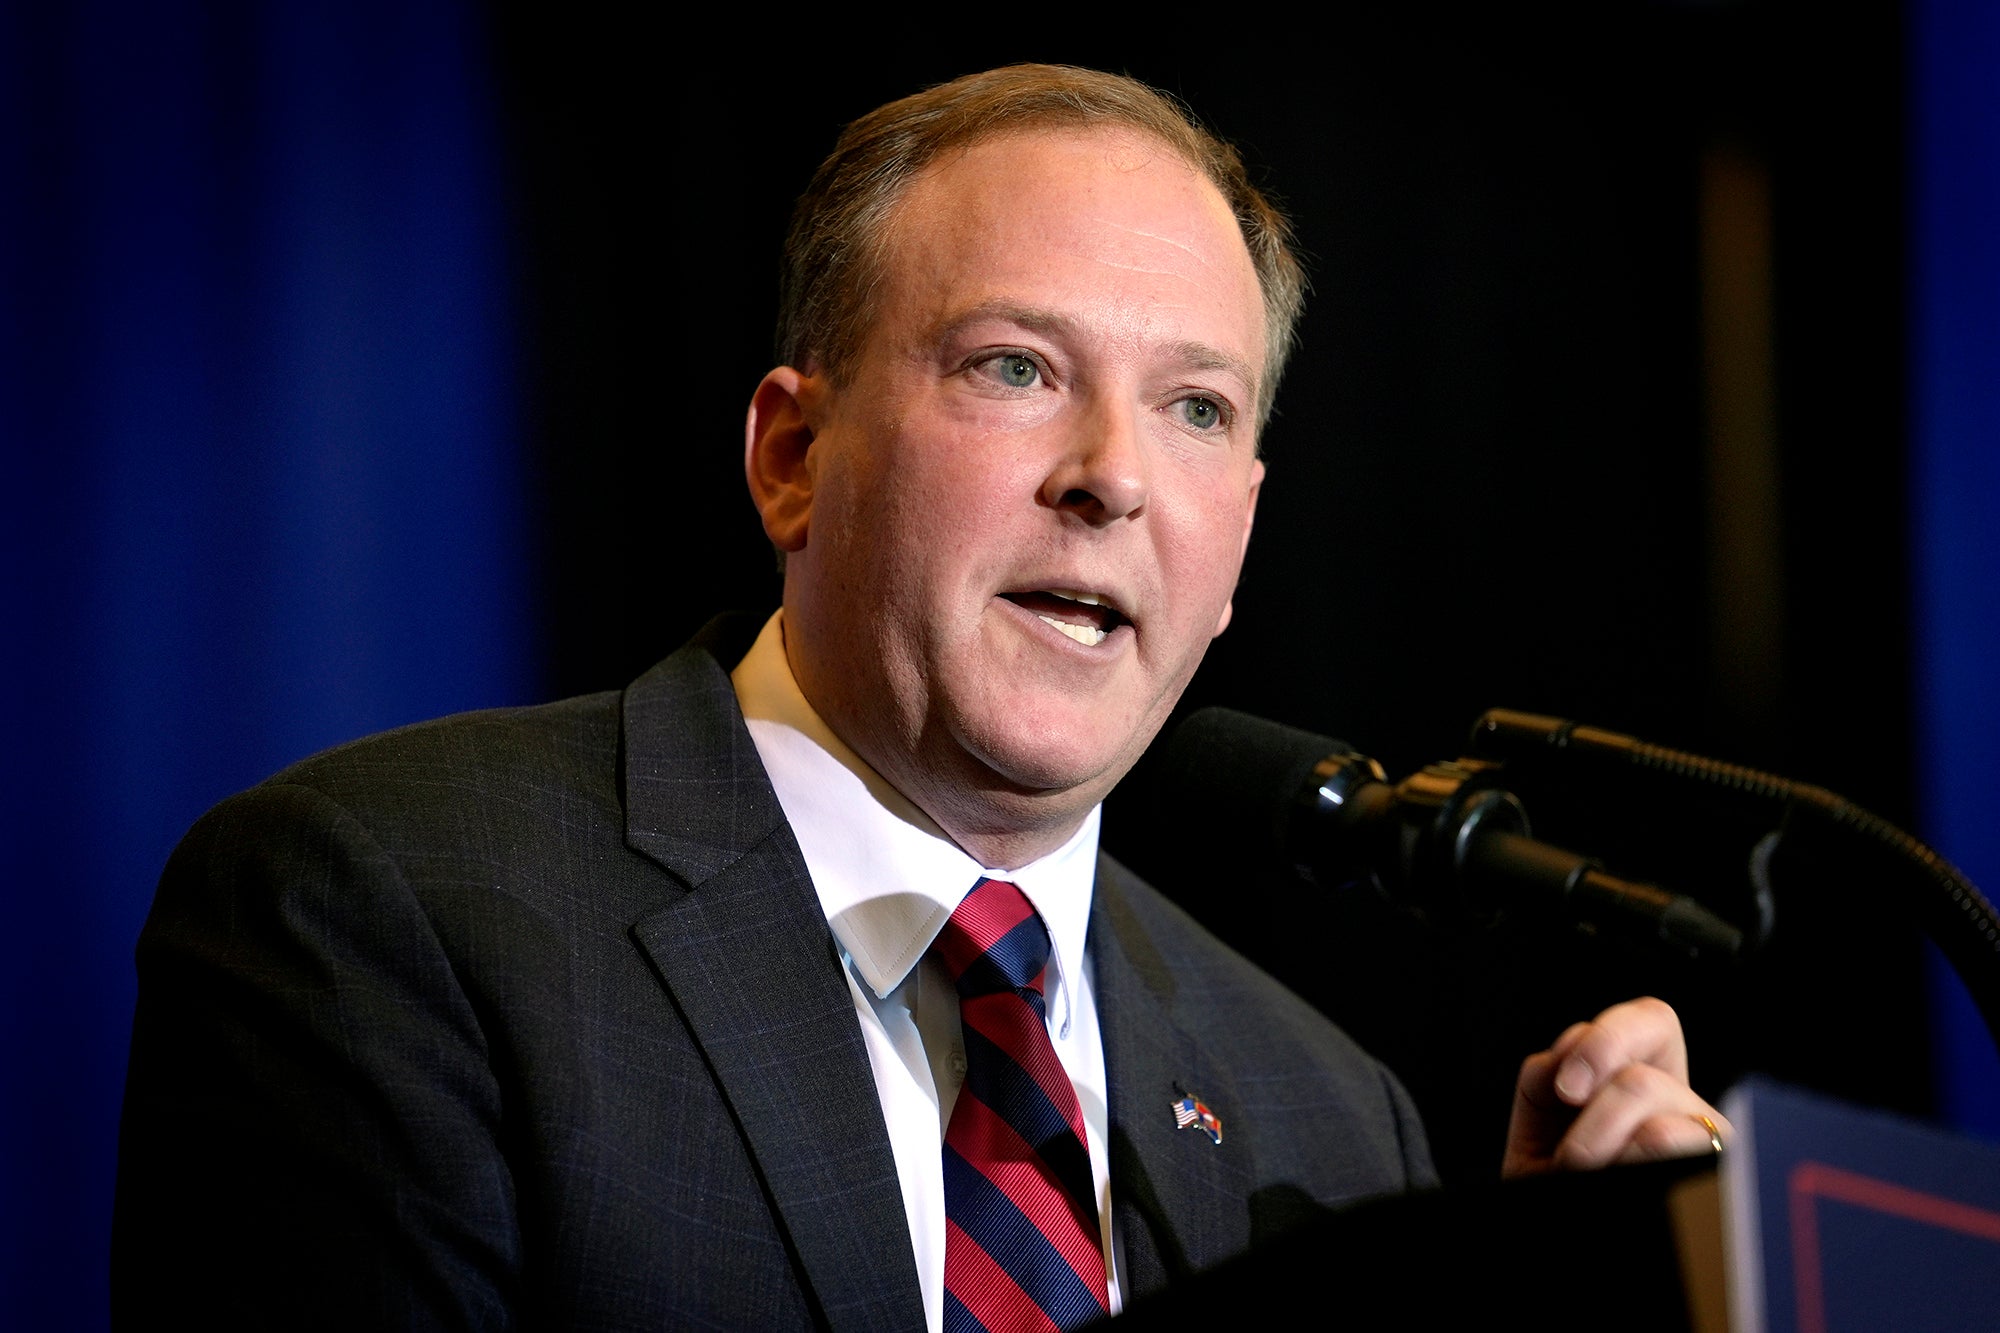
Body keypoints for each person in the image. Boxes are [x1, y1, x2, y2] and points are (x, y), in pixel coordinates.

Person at [113, 64, 1729, 1330]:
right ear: (792, 458)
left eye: (1192, 405)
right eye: (1015, 368)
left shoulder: (1331, 1116)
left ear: (1239, 538)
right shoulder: (386, 919)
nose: (1110, 478)